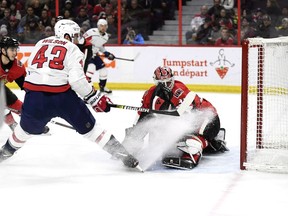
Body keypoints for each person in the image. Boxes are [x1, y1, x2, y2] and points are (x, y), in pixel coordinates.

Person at [0, 19, 140, 171]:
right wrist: (95, 98)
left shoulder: (40, 43)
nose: (75, 39)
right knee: (92, 130)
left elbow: (31, 74)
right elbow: (77, 80)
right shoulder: (72, 48)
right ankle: (124, 155)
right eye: (73, 35)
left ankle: (5, 152)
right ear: (65, 34)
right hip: (62, 97)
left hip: (35, 98)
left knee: (23, 131)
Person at [123, 66, 228, 169]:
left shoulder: (180, 92)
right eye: (160, 83)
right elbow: (143, 115)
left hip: (209, 120)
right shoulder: (149, 94)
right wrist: (133, 137)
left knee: (188, 141)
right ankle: (209, 143)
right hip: (188, 122)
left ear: (173, 79)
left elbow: (185, 122)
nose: (164, 86)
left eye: (168, 82)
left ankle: (200, 147)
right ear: (155, 82)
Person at [0, 37, 27, 131]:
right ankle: (11, 123)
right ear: (3, 50)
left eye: (16, 49)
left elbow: (25, 86)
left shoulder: (18, 67)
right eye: (12, 49)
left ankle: (31, 123)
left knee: (20, 106)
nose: (15, 53)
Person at [83, 19, 115, 94]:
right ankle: (89, 90)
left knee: (103, 70)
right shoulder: (92, 32)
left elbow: (99, 46)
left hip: (94, 55)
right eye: (101, 26)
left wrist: (107, 53)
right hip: (86, 55)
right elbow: (82, 41)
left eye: (105, 26)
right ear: (98, 26)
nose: (103, 27)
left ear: (107, 27)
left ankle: (102, 87)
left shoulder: (106, 37)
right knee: (90, 69)